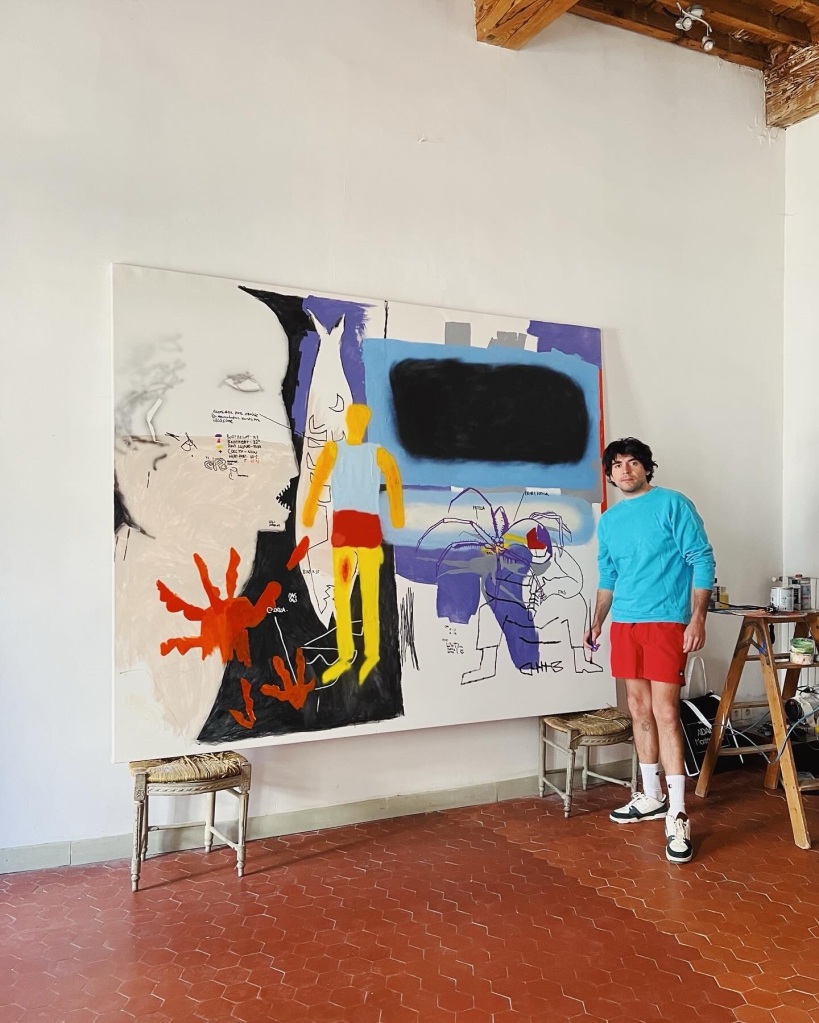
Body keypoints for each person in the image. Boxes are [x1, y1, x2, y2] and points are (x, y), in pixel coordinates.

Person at [584, 437, 715, 864]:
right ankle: (652, 796)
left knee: (665, 712)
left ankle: (677, 812)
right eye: (617, 464)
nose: (625, 470)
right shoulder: (609, 521)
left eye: (633, 462)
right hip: (625, 624)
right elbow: (608, 575)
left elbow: (702, 559)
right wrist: (598, 619)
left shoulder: (673, 504)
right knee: (638, 710)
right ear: (609, 474)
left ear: (646, 468)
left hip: (666, 622)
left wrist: (698, 618)